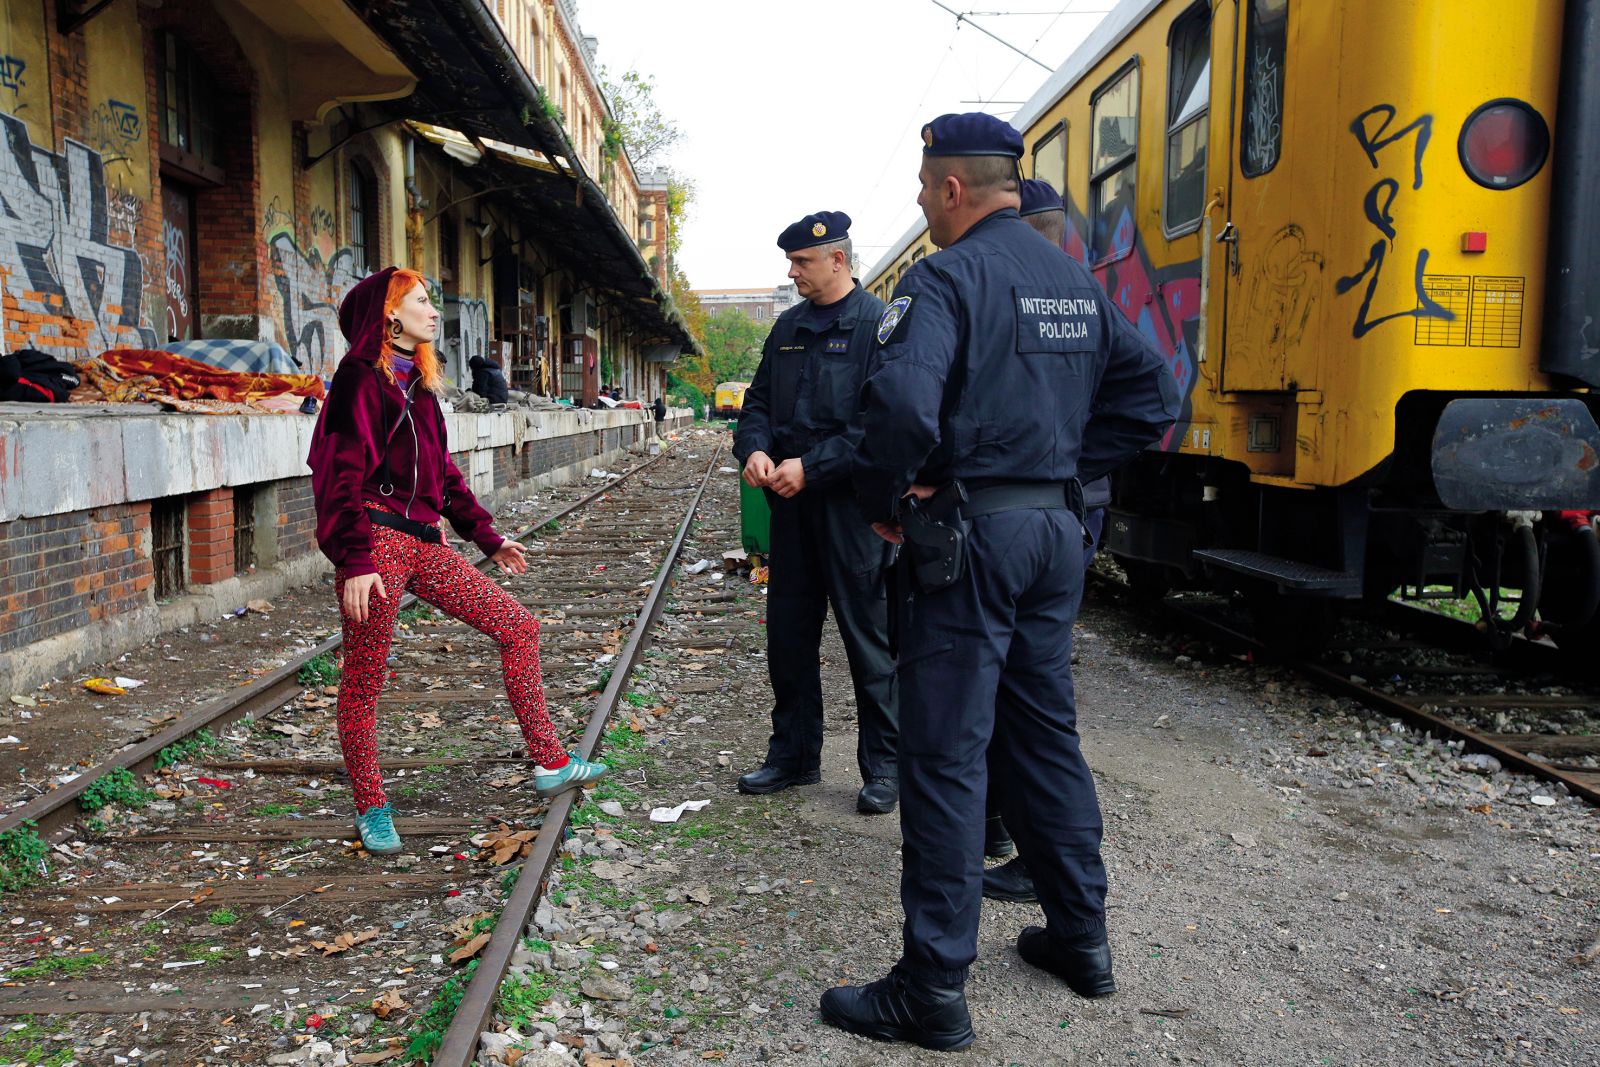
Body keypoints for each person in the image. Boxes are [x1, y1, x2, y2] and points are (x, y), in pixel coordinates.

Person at [819, 115, 1179, 1050]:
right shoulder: (1074, 278)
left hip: (973, 536)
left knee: (945, 752)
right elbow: (1154, 397)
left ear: (949, 189)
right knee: (1044, 732)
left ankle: (931, 986)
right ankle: (1080, 936)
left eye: (923, 189)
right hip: (1057, 531)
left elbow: (899, 403)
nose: (921, 206)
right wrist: (1058, 468)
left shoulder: (946, 276)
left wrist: (890, 494)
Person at [307, 266, 607, 856]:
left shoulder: (418, 388)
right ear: (390, 316)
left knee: (517, 626)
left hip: (424, 541)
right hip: (378, 545)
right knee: (364, 681)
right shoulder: (357, 382)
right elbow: (337, 476)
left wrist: (487, 537)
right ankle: (372, 806)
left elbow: (442, 474)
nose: (433, 311)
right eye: (421, 301)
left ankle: (549, 761)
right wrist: (356, 558)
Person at [732, 210, 900, 815]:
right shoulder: (787, 329)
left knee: (868, 641)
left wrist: (814, 466)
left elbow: (882, 424)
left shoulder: (879, 326)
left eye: (802, 261)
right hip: (791, 509)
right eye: (791, 261)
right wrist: (753, 447)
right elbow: (757, 404)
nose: (792, 270)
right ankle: (795, 756)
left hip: (853, 512)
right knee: (789, 637)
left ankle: (884, 766)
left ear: (838, 260)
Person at [980, 178, 1114, 905]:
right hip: (1067, 515)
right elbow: (1149, 395)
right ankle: (1053, 874)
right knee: (1038, 703)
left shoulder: (1008, 298)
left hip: (1027, 518)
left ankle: (1036, 855)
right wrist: (1078, 468)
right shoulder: (1085, 296)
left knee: (1023, 704)